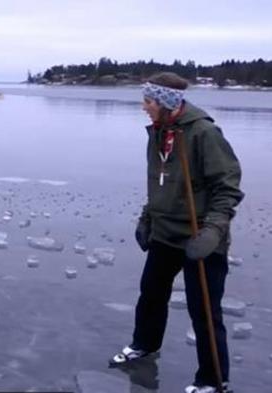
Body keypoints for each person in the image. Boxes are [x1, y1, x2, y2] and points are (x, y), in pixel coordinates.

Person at [110, 72, 244, 393]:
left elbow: (227, 186)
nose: (144, 107)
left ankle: (212, 380)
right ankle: (145, 345)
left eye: (149, 101)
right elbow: (160, 183)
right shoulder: (158, 132)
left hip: (200, 235)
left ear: (166, 102)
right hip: (165, 232)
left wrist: (213, 230)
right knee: (151, 295)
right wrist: (147, 217)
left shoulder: (203, 133)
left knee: (204, 312)